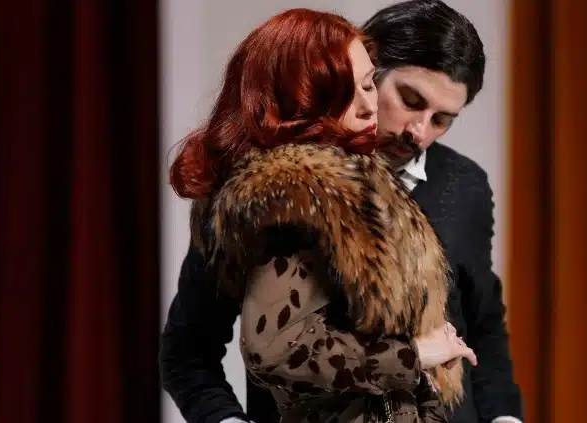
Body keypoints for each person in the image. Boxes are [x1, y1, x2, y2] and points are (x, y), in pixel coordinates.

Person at [160, 1, 525, 422]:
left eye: (442, 119)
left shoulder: (464, 184)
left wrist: (505, 418)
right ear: (359, 73)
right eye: (409, 100)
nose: (418, 131)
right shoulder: (266, 191)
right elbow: (191, 351)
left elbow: (483, 325)